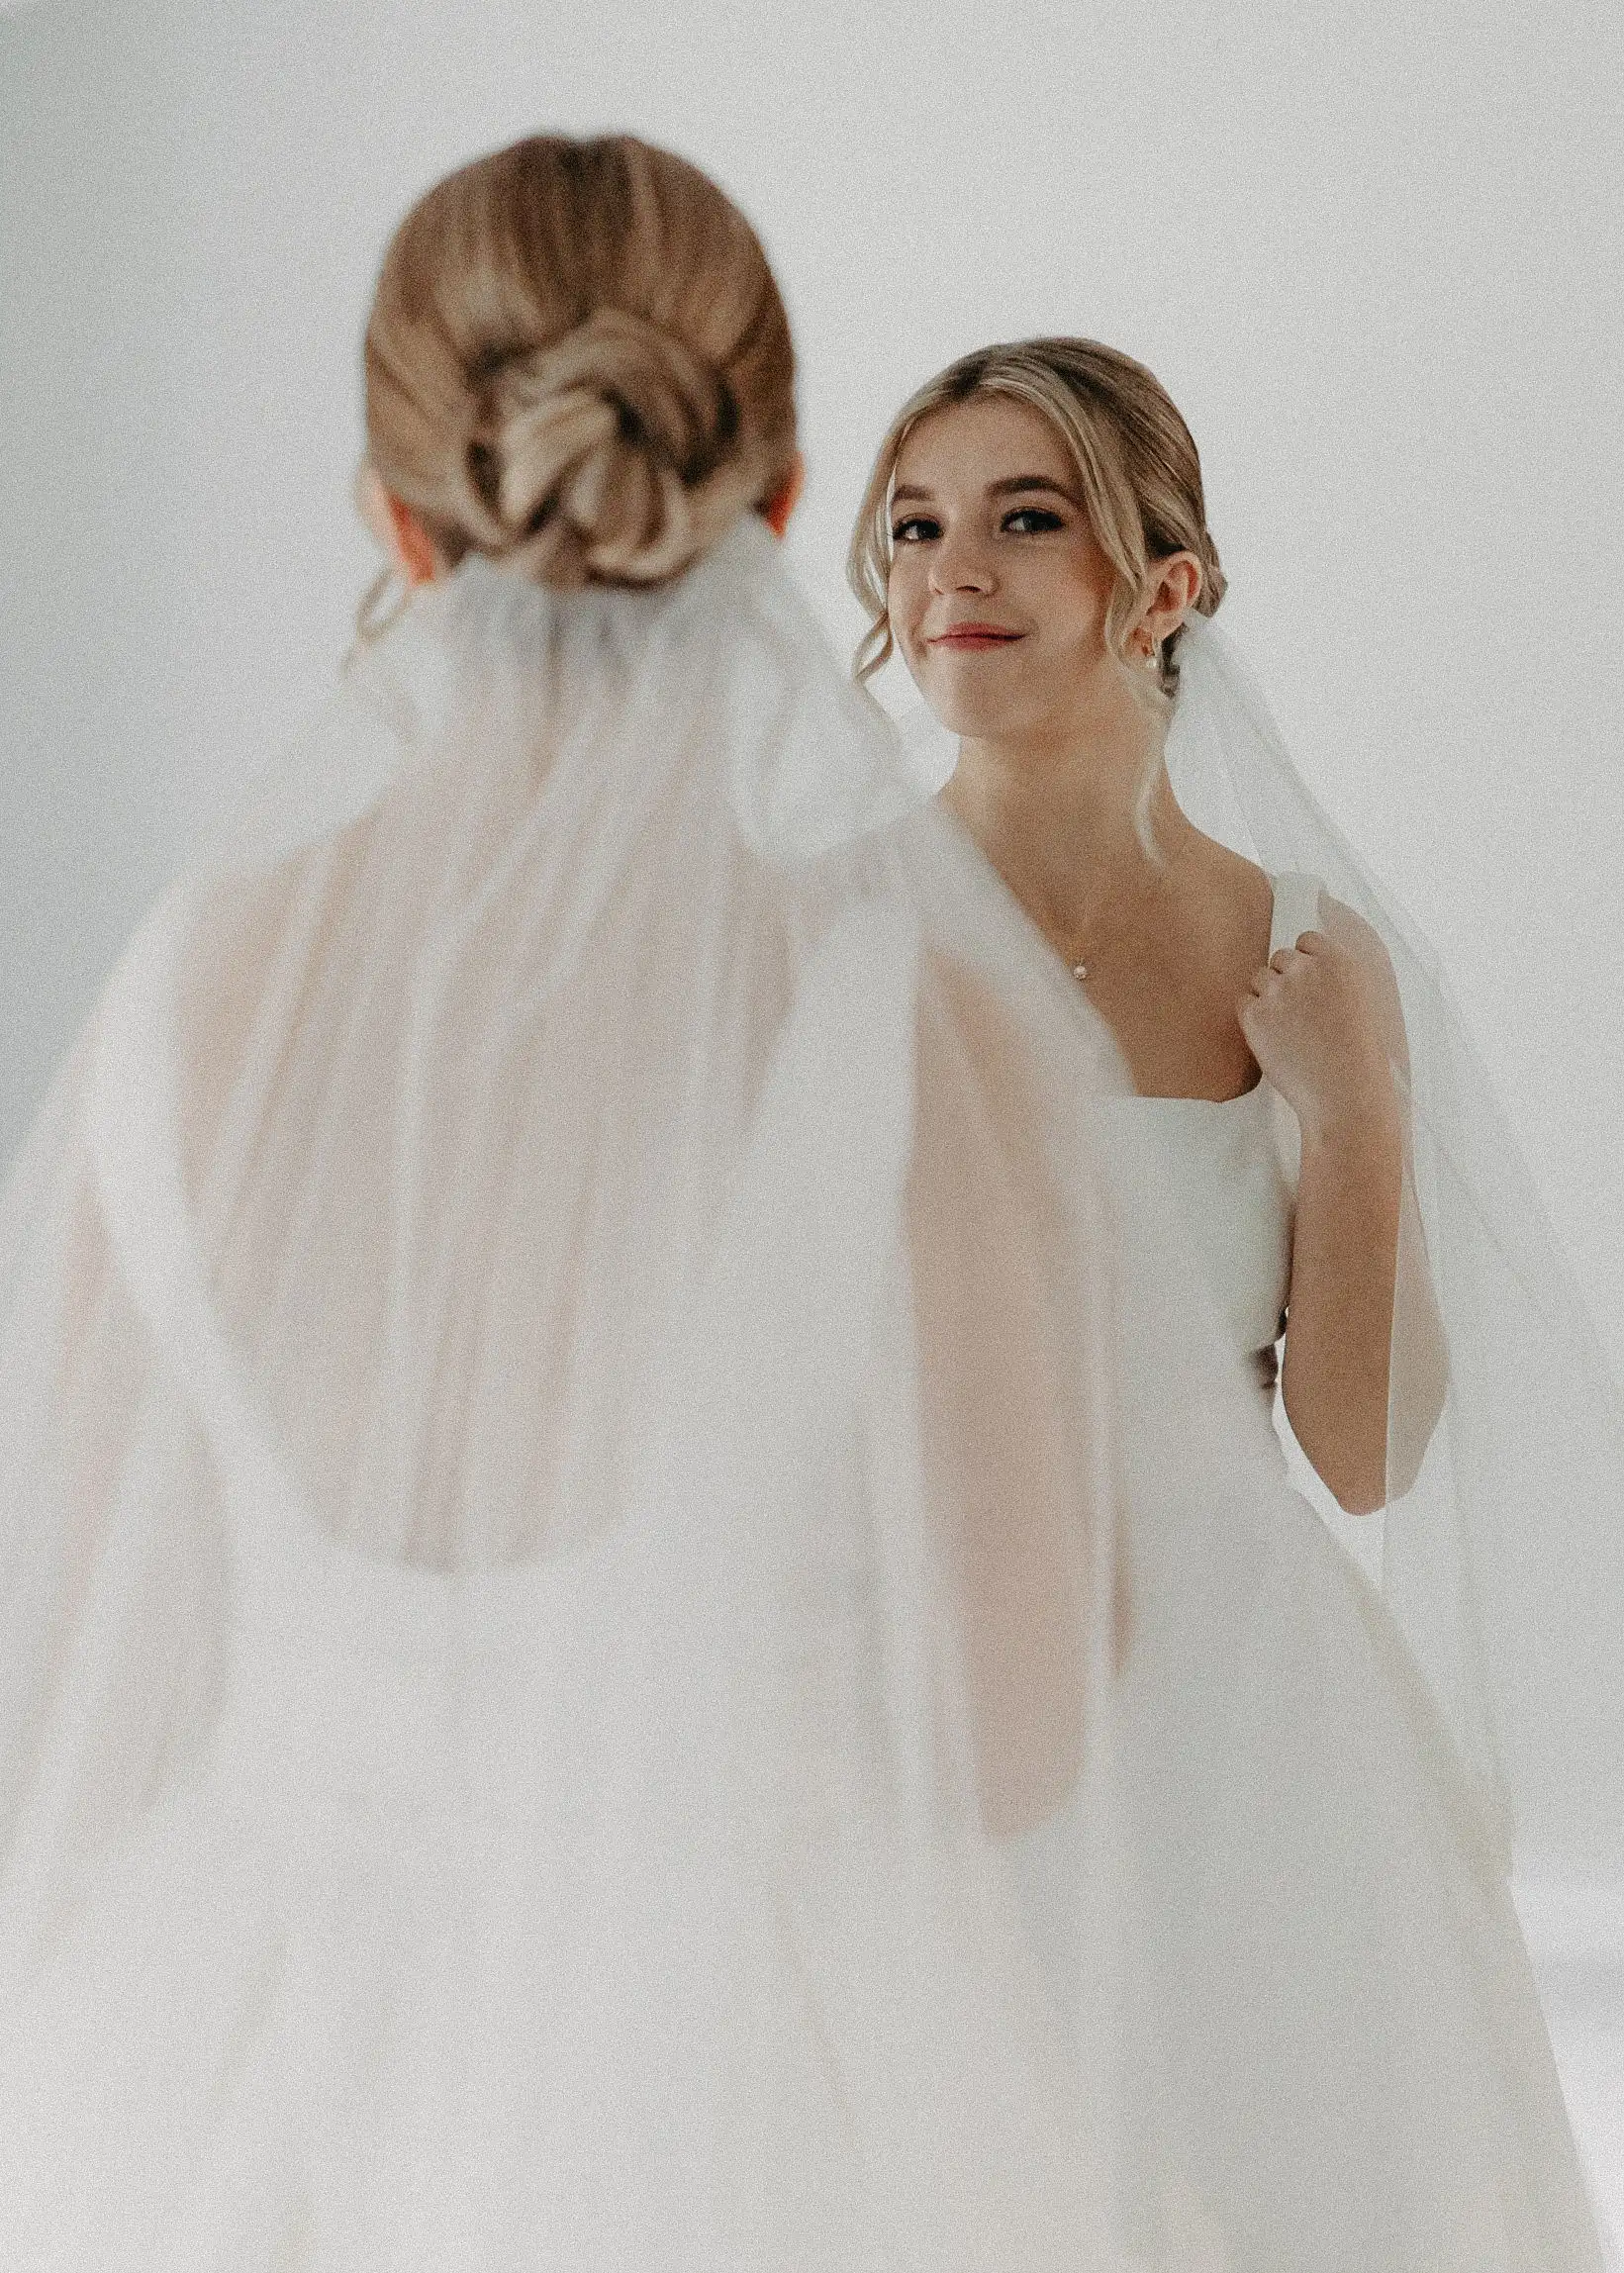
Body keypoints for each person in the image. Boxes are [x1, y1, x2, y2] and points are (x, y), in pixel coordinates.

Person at [847, 335, 1624, 2266]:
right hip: (909, 1676)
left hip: (1226, 1705)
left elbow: (1355, 1454)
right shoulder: (832, 927)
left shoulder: (1305, 954)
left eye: (1025, 518)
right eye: (915, 521)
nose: (954, 565)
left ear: (1162, 586)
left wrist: (1353, 1115)